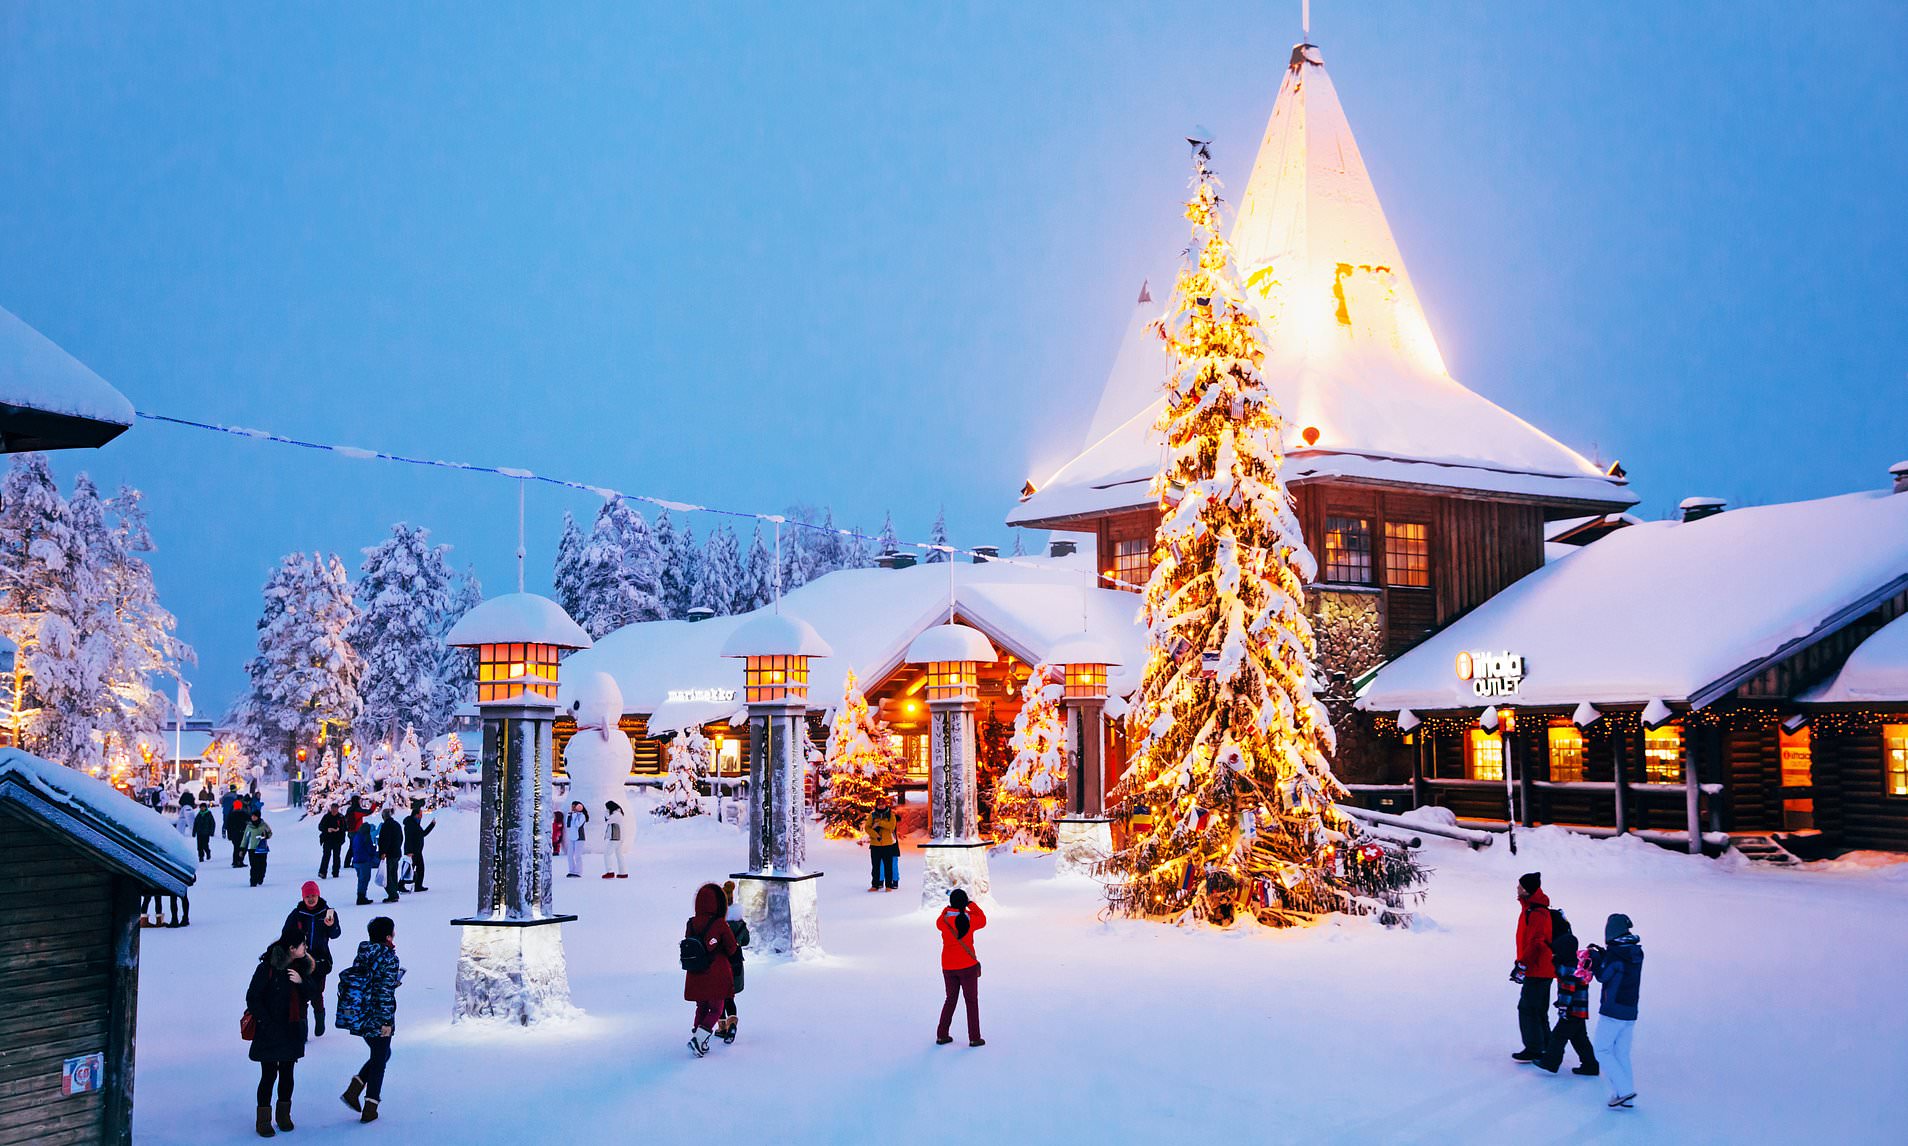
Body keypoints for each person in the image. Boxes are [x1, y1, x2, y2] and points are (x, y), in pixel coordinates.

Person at [246, 920, 318, 1136]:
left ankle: (284, 1115)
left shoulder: (301, 967)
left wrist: (301, 982)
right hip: (269, 1031)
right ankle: (263, 1120)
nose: (305, 948)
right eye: (302, 945)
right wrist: (266, 1021)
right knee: (268, 1076)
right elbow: (253, 997)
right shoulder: (267, 968)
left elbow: (313, 994)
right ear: (291, 949)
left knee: (287, 1074)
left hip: (291, 1029)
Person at [339, 915, 404, 1123]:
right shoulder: (389, 958)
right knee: (379, 1060)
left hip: (361, 1014)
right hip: (378, 1016)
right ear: (387, 936)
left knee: (382, 1054)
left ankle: (355, 1088)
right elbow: (384, 992)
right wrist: (386, 1022)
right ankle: (370, 1107)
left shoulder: (364, 953)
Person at [1587, 913, 1644, 1110]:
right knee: (1621, 1053)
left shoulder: (1616, 954)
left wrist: (1595, 959)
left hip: (1613, 1011)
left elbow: (1603, 976)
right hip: (1630, 1010)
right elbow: (1618, 969)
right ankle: (1626, 1098)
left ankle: (1625, 1090)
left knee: (1601, 1050)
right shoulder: (1635, 952)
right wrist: (1604, 956)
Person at [1538, 911, 1598, 1076]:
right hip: (1580, 1010)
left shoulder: (1568, 968)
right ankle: (1590, 1065)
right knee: (1579, 1039)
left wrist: (1563, 1006)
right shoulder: (1578, 966)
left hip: (1572, 1011)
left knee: (1558, 1036)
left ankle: (1550, 1062)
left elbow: (1568, 988)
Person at [682, 882, 738, 1057]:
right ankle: (699, 1040)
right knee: (716, 1008)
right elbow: (731, 948)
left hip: (696, 972)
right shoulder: (720, 924)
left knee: (701, 1006)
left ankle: (698, 1037)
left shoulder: (691, 923)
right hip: (716, 973)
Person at [285, 881, 342, 1037]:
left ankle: (320, 1018)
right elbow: (286, 935)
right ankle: (302, 1030)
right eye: (307, 896)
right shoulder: (296, 914)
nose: (311, 899)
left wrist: (330, 925)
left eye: (313, 895)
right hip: (300, 960)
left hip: (320, 960)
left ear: (318, 895)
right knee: (301, 994)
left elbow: (336, 934)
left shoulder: (327, 912)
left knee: (317, 992)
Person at [1509, 872, 1555, 1064]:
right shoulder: (1533, 909)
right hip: (1543, 968)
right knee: (1538, 1009)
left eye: (1520, 886)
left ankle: (1534, 1048)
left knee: (1527, 1008)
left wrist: (1523, 964)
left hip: (1537, 968)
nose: (1517, 889)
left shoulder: (1536, 912)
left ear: (1527, 889)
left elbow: (1536, 942)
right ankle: (1546, 1045)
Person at [935, 888, 986, 1047]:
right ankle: (974, 1037)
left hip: (948, 966)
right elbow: (983, 919)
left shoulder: (943, 921)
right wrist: (970, 904)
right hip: (967, 965)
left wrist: (948, 908)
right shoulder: (970, 919)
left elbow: (941, 916)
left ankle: (942, 1034)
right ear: (964, 903)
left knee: (950, 1000)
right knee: (971, 1002)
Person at [715, 880, 748, 1044]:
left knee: (719, 997)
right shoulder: (738, 922)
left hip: (720, 965)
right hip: (736, 964)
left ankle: (721, 1027)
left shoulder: (718, 923)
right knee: (730, 998)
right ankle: (732, 1024)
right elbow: (746, 940)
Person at [864, 797, 900, 892]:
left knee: (888, 866)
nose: (881, 806)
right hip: (875, 844)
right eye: (879, 805)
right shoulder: (872, 815)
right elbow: (867, 828)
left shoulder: (890, 815)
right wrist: (875, 835)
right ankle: (875, 885)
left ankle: (889, 885)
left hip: (887, 844)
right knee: (875, 866)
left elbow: (891, 826)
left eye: (882, 804)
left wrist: (880, 823)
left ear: (885, 805)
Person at [401, 802, 435, 892]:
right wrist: (409, 852)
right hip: (412, 852)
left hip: (418, 851)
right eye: (420, 815)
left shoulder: (415, 824)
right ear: (416, 815)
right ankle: (400, 884)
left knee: (420, 868)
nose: (421, 816)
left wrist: (432, 825)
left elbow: (422, 834)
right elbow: (409, 839)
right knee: (409, 868)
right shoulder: (410, 825)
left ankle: (418, 885)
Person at [348, 817, 379, 906]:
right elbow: (369, 849)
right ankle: (361, 897)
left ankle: (361, 896)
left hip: (356, 861)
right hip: (364, 861)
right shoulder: (366, 836)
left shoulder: (357, 836)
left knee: (361, 879)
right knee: (364, 879)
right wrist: (374, 849)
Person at [376, 808, 404, 903]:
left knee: (386, 875)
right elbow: (401, 838)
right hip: (396, 853)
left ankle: (393, 894)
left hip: (389, 854)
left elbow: (384, 841)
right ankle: (394, 891)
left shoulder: (386, 826)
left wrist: (383, 852)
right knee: (393, 873)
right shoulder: (397, 824)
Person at [244, 810, 274, 887]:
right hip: (252, 849)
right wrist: (242, 848)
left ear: (258, 817)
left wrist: (266, 836)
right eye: (252, 816)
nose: (253, 817)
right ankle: (253, 881)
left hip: (262, 848)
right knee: (253, 866)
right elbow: (245, 838)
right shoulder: (249, 826)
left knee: (262, 865)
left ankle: (260, 877)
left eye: (255, 816)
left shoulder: (264, 825)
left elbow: (270, 833)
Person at [317, 805, 348, 880]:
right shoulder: (326, 817)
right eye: (333, 810)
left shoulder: (341, 817)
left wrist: (339, 829)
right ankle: (323, 872)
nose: (334, 811)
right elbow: (320, 827)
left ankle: (335, 872)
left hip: (337, 840)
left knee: (336, 856)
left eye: (335, 810)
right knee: (326, 856)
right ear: (331, 809)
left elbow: (346, 827)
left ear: (338, 809)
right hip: (327, 839)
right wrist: (328, 829)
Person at [600, 800, 628, 879]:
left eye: (607, 808)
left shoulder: (616, 815)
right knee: (619, 855)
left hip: (616, 837)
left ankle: (610, 871)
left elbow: (608, 821)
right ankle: (623, 872)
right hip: (619, 837)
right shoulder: (618, 813)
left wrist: (606, 812)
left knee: (607, 854)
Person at [564, 801, 589, 878]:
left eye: (574, 806)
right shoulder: (571, 815)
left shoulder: (582, 816)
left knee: (578, 855)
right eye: (572, 806)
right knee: (570, 855)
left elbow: (578, 824)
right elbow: (568, 825)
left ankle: (578, 871)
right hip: (572, 837)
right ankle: (572, 870)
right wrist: (570, 816)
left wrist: (574, 816)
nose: (572, 808)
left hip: (579, 837)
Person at [225, 789, 248, 868]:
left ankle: (236, 861)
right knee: (241, 848)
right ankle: (238, 861)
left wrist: (229, 834)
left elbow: (228, 825)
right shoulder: (242, 814)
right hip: (240, 833)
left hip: (236, 833)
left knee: (237, 848)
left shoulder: (232, 815)